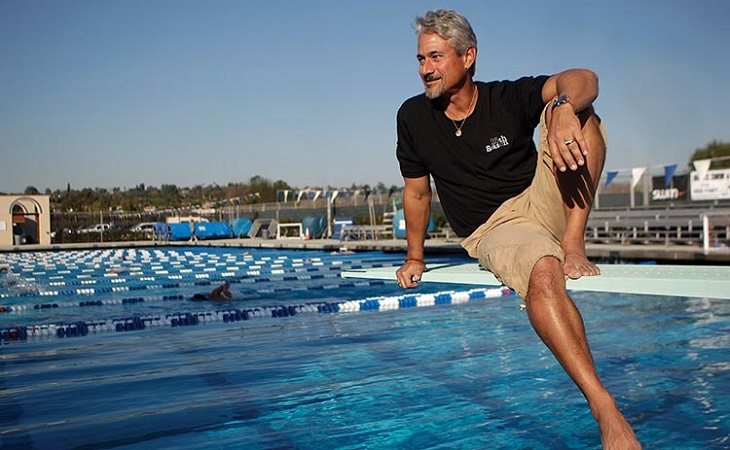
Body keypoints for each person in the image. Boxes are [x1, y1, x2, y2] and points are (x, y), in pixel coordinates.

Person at [394, 9, 640, 450]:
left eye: (434, 57)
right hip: (495, 226)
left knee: (583, 113)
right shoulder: (412, 117)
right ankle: (605, 408)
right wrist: (416, 256)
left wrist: (564, 108)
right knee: (544, 273)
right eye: (420, 59)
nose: (425, 69)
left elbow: (583, 76)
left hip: (542, 200)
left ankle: (573, 242)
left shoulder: (505, 97)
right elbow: (417, 194)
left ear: (468, 56)